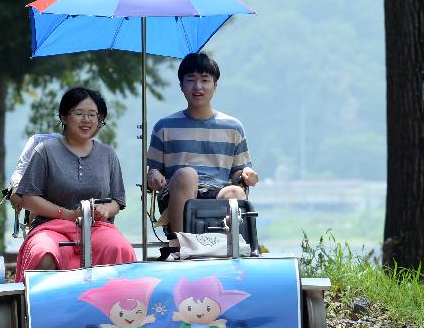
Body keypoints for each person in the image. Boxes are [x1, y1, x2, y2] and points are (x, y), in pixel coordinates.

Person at [15, 87, 135, 281]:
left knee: (119, 248)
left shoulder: (108, 154)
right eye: (79, 113)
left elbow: (117, 201)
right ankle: (43, 309)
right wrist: (68, 214)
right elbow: (28, 199)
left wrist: (105, 210)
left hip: (96, 227)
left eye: (92, 115)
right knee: (43, 253)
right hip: (50, 227)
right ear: (64, 117)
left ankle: (116, 309)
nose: (86, 120)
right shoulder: (45, 151)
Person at [146, 52, 259, 244]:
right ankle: (183, 246)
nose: (198, 87)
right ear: (181, 86)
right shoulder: (164, 127)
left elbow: (237, 174)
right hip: (177, 194)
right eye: (191, 80)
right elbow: (152, 175)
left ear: (215, 86)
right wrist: (153, 176)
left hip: (217, 191)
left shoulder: (233, 127)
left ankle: (228, 249)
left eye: (205, 80)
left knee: (236, 193)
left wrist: (247, 174)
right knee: (187, 175)